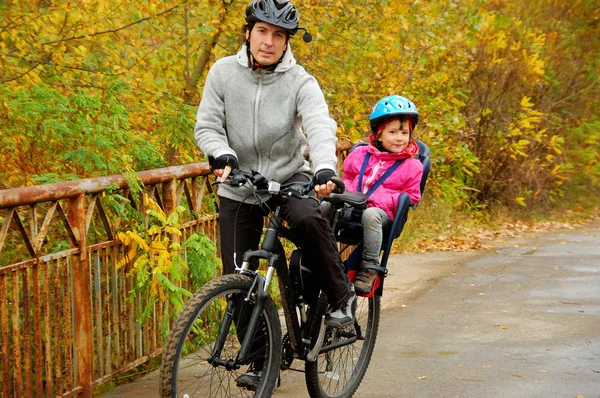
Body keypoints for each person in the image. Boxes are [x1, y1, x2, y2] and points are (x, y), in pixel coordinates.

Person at [194, 0, 356, 390]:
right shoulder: (222, 72)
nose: (269, 41)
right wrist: (221, 152)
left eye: (278, 35)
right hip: (240, 184)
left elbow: (319, 124)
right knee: (238, 278)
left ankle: (340, 299)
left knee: (306, 218)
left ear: (287, 42)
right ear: (248, 32)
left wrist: (324, 168)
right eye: (262, 31)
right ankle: (262, 360)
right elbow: (207, 126)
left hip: (289, 180)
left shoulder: (300, 81)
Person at [336, 95, 424, 294]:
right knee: (326, 206)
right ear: (378, 134)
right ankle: (319, 252)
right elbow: (348, 176)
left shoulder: (412, 166)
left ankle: (369, 266)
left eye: (404, 132)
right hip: (352, 206)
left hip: (382, 216)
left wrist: (376, 201)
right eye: (393, 132)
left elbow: (412, 197)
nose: (400, 138)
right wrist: (347, 193)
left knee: (371, 214)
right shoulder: (359, 154)